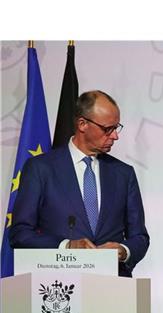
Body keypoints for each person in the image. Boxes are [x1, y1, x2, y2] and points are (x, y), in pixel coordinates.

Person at [10, 90, 149, 277]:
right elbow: (20, 233)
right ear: (82, 124)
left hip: (113, 290)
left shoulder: (123, 174)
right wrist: (67, 246)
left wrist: (124, 250)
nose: (115, 136)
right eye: (108, 129)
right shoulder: (41, 169)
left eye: (117, 128)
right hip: (58, 287)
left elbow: (139, 237)